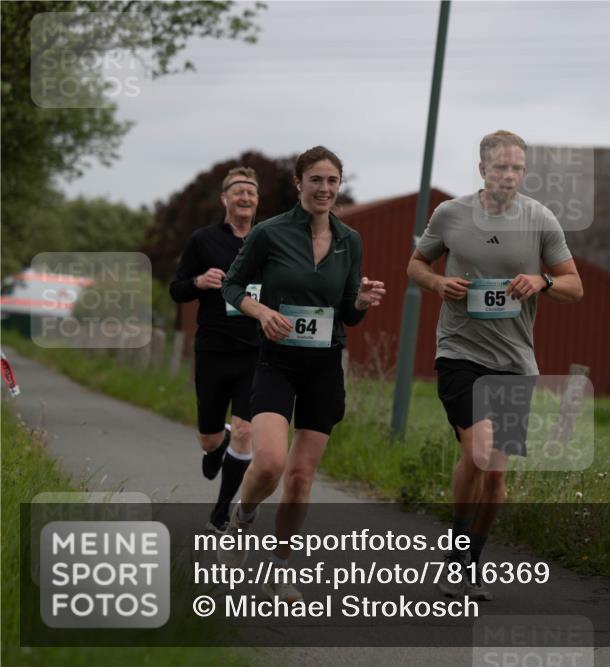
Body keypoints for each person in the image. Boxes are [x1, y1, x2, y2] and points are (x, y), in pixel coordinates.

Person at [407, 130, 583, 601]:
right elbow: (416, 266)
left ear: (523, 173)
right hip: (460, 352)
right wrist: (436, 284)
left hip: (514, 360)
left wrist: (541, 280)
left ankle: (468, 562)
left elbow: (575, 286)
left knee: (498, 473)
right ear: (482, 168)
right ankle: (457, 550)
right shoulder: (451, 215)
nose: (509, 175)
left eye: (517, 168)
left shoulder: (540, 219)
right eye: (501, 166)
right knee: (479, 451)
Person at [218, 146, 385, 604]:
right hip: (278, 362)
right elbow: (232, 286)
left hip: (324, 366)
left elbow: (349, 314)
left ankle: (280, 569)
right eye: (316, 180)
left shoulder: (350, 239)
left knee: (300, 477)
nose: (325, 189)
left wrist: (363, 302)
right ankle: (242, 518)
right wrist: (260, 311)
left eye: (332, 181)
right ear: (299, 184)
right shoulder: (270, 234)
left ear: (339, 186)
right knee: (270, 462)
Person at [170, 167, 261, 534]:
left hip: (256, 350)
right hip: (212, 349)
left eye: (251, 193)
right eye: (238, 191)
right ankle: (215, 443)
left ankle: (221, 513)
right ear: (225, 198)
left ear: (257, 201)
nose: (244, 198)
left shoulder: (268, 240)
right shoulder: (203, 240)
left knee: (244, 430)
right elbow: (177, 289)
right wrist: (198, 281)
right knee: (210, 438)